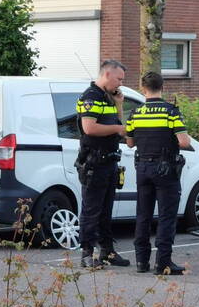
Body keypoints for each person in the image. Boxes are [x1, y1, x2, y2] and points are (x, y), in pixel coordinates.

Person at [125, 71, 190, 275]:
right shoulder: (171, 112)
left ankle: (141, 262)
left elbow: (130, 142)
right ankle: (162, 263)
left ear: (143, 89)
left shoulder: (135, 114)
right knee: (166, 216)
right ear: (162, 87)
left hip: (142, 168)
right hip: (166, 170)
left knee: (143, 215)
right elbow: (184, 142)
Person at [77, 59, 130, 269]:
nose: (120, 84)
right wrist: (117, 130)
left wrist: (119, 105)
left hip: (109, 160)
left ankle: (107, 251)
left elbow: (117, 123)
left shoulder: (108, 97)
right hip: (94, 161)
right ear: (107, 74)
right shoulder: (91, 97)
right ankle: (87, 253)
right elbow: (89, 128)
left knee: (106, 210)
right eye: (119, 79)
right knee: (91, 209)